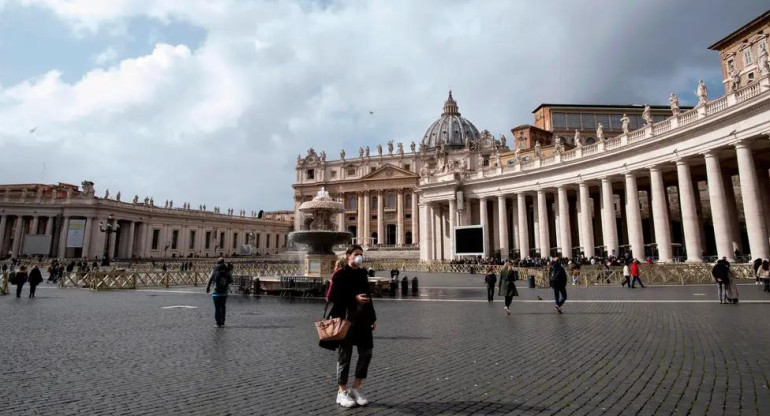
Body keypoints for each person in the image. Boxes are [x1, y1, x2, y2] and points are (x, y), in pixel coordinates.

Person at [323, 245, 376, 408]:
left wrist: (373, 317)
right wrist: (354, 298)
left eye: (361, 255)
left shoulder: (362, 273)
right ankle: (341, 392)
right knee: (345, 356)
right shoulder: (340, 274)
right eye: (356, 255)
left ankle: (356, 388)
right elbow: (331, 296)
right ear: (348, 256)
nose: (359, 257)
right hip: (346, 320)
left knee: (366, 353)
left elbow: (368, 295)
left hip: (363, 320)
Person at [205, 258, 233, 327]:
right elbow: (231, 280)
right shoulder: (227, 271)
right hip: (224, 292)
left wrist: (207, 287)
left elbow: (210, 279)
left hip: (216, 292)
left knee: (217, 308)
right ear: (223, 263)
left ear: (217, 263)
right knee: (223, 307)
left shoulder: (214, 270)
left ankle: (218, 323)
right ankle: (222, 322)